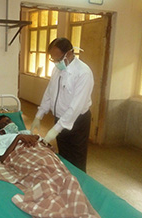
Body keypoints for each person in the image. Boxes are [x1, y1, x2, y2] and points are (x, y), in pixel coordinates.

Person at [30, 37, 94, 172]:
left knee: (76, 160)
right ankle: (65, 183)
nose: (56, 63)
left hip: (77, 122)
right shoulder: (57, 69)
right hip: (60, 119)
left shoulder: (83, 73)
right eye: (53, 59)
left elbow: (75, 107)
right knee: (64, 157)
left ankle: (78, 186)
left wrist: (55, 129)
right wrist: (39, 115)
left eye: (58, 59)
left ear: (69, 53)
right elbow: (49, 93)